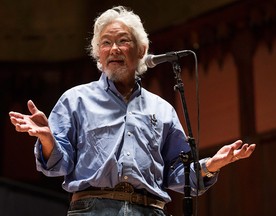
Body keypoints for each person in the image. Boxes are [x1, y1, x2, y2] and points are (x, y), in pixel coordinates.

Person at [9, 6, 256, 216]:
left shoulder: (162, 109)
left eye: (123, 41)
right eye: (105, 43)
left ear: (141, 50)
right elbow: (57, 166)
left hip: (151, 209)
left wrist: (211, 164)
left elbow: (176, 174)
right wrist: (48, 139)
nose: (114, 48)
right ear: (98, 53)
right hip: (93, 208)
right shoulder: (75, 100)